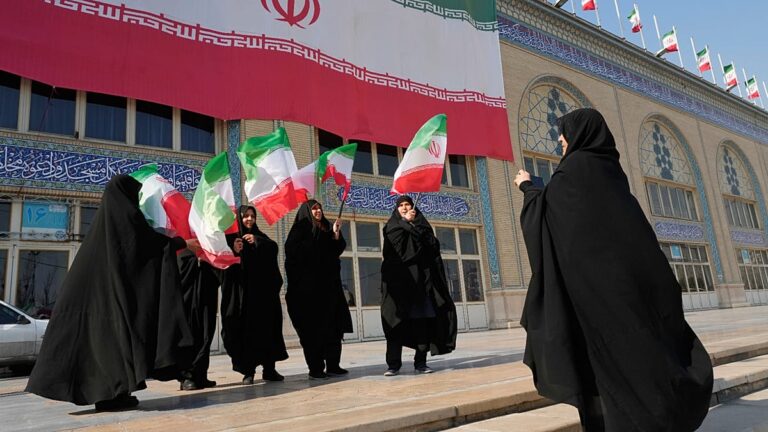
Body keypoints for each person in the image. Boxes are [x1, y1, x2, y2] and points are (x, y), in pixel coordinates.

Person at [514, 108, 713, 431]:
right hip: (633, 293)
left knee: (611, 373)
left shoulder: (572, 174)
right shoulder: (611, 172)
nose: (562, 143)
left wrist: (528, 188)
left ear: (579, 136)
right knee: (643, 362)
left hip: (598, 301)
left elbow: (546, 222)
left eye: (564, 137)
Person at [25, 174, 195, 411]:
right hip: (106, 303)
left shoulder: (105, 225)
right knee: (110, 346)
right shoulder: (125, 220)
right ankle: (112, 395)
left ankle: (115, 394)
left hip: (97, 302)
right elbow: (147, 247)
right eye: (134, 196)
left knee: (104, 348)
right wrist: (183, 243)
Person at [380, 195, 457, 376]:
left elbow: (432, 245)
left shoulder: (421, 225)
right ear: (397, 209)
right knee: (395, 326)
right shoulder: (392, 227)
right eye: (402, 205)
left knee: (421, 324)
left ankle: (421, 363)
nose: (405, 208)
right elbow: (399, 251)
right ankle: (393, 365)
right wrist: (406, 224)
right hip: (398, 287)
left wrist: (414, 226)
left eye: (408, 204)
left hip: (421, 286)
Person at [285, 200, 353, 380]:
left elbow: (335, 250)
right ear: (307, 211)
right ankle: (315, 368)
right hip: (309, 294)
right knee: (313, 333)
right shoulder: (300, 230)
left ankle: (333, 365)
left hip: (330, 291)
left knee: (333, 329)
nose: (318, 211)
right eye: (314, 208)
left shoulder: (327, 227)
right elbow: (294, 256)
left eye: (320, 208)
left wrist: (336, 234)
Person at [220, 205, 288, 384]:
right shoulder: (233, 239)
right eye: (245, 216)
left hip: (263, 298)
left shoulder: (260, 237)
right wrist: (234, 249)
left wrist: (257, 240)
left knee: (267, 332)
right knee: (245, 333)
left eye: (252, 216)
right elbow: (224, 263)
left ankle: (269, 369)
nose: (249, 219)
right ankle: (248, 371)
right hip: (244, 298)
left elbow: (273, 248)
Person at [177, 249, 220, 390]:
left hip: (206, 296)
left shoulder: (208, 244)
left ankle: (201, 375)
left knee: (206, 333)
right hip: (188, 300)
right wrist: (194, 259)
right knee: (190, 334)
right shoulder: (183, 248)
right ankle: (186, 377)